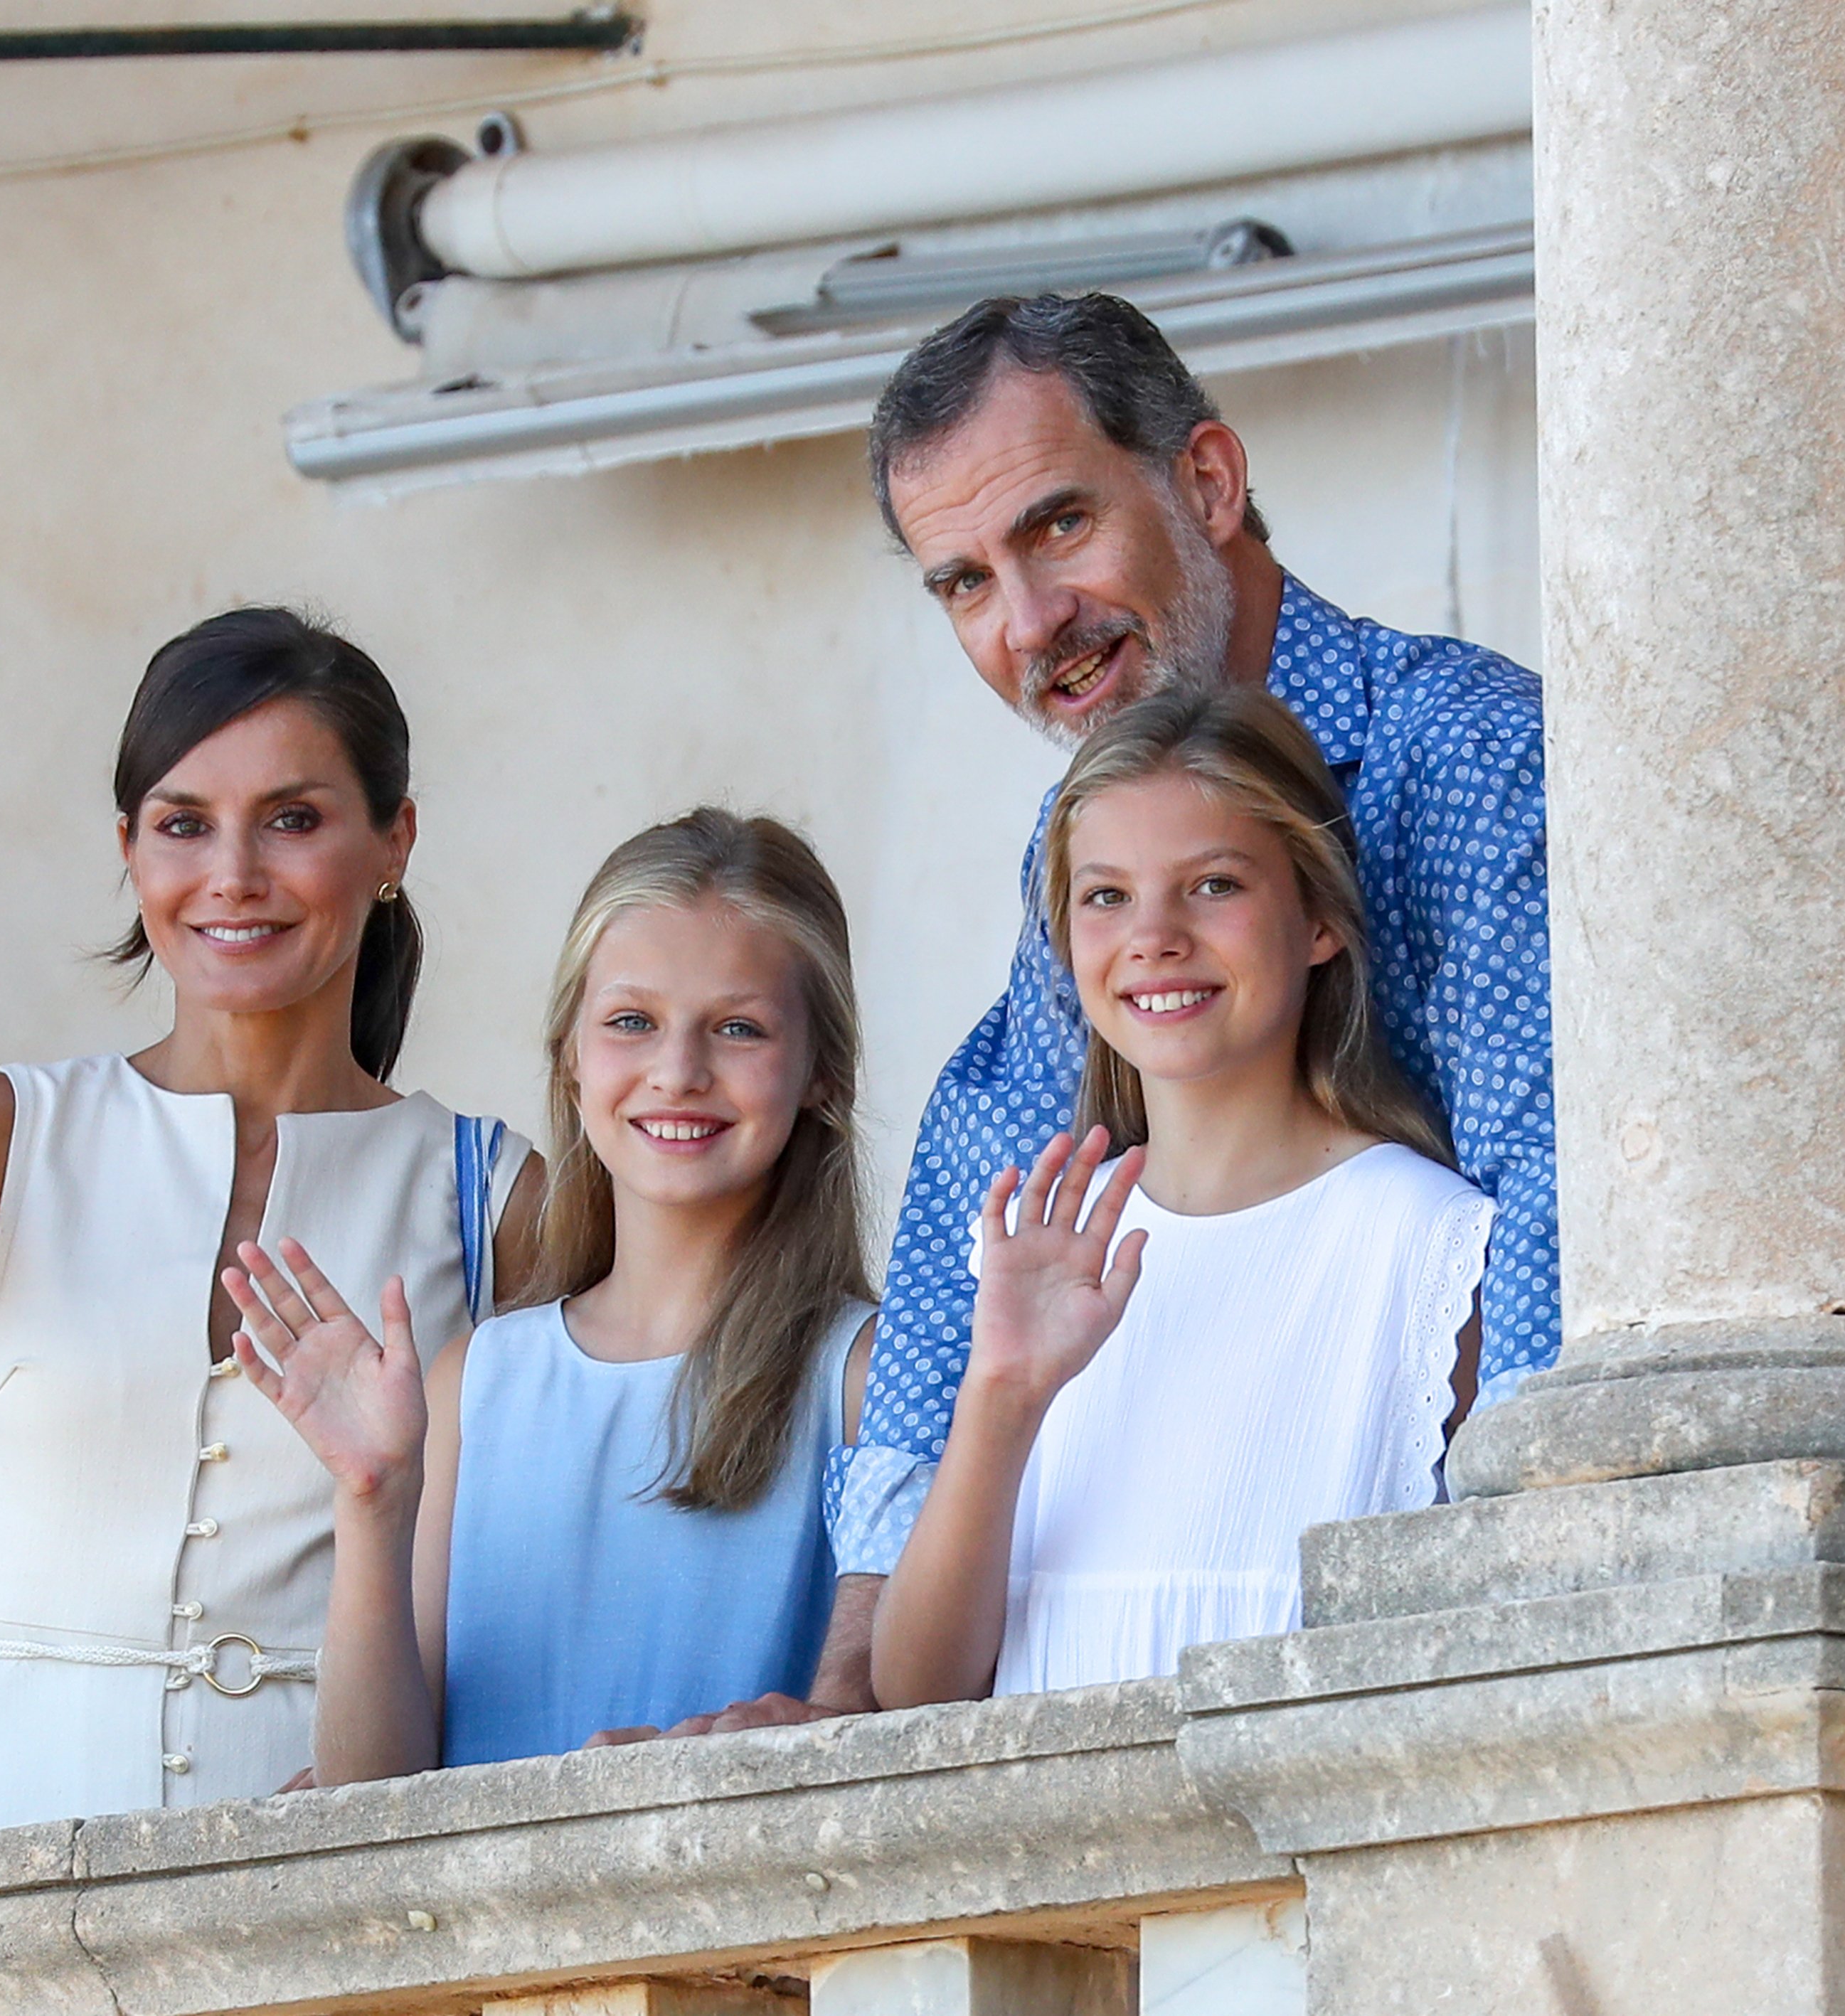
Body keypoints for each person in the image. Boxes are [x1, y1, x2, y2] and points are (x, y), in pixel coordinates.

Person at [0, 602, 538, 1838]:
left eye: (292, 820)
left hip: (324, 1881)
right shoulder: (1, 1138)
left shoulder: (493, 1193)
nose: (233, 876)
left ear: (393, 839)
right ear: (131, 852)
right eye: (183, 825)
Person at [825, 292, 1553, 1675]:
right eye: (964, 582)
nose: (1030, 622)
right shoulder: (1067, 838)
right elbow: (973, 1216)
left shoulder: (1471, 756)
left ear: (1205, 483)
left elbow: (1551, 1238)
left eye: (1054, 525)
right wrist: (848, 1683)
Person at [225, 809, 876, 1780]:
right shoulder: (475, 1382)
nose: (678, 1071)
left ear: (821, 1068)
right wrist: (372, 1496)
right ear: (570, 1057)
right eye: (631, 1023)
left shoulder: (867, 1374)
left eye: (738, 1028)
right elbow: (368, 1791)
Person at [871, 686, 1488, 1704]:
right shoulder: (1038, 1247)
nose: (1152, 936)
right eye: (1106, 896)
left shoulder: (1426, 1249)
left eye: (1211, 885)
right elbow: (918, 1691)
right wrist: (1004, 1394)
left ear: (1321, 919)